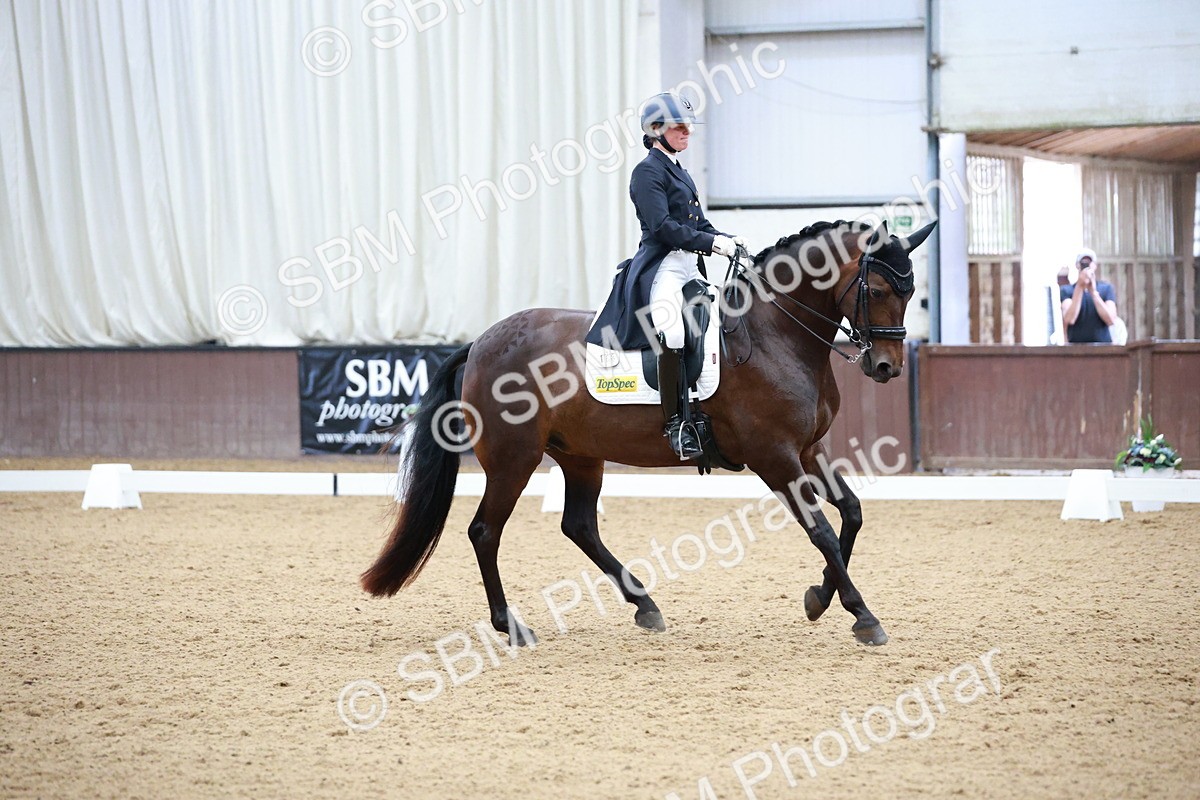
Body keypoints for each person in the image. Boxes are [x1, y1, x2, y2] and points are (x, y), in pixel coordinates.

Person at [587, 91, 743, 459]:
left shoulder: (680, 171)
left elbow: (698, 223)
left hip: (689, 265)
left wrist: (727, 240)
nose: (687, 131)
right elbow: (662, 227)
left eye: (688, 126)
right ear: (655, 129)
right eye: (679, 127)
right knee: (672, 332)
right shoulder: (647, 172)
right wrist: (712, 244)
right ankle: (676, 424)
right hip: (663, 267)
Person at [1060, 248, 1118, 343]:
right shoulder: (1067, 290)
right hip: (1076, 347)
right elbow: (1069, 319)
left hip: (1103, 347)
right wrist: (1079, 287)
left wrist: (1093, 292)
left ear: (1095, 265)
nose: (1086, 266)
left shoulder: (1106, 289)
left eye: (1089, 262)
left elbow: (1111, 319)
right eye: (1083, 263)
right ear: (1077, 265)